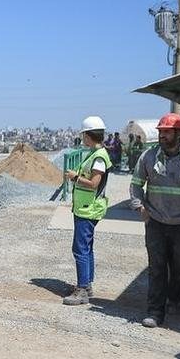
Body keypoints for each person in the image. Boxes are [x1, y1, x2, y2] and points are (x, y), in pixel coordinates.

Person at [130, 113, 180, 328]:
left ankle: (174, 299)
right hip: (155, 222)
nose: (162, 135)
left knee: (179, 266)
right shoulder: (148, 157)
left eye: (167, 131)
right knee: (156, 267)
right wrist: (140, 209)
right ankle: (155, 311)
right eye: (160, 132)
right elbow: (136, 184)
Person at [63, 116, 112, 306]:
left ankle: (82, 289)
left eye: (84, 135)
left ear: (88, 135)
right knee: (87, 248)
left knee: (80, 249)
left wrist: (75, 178)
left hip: (88, 209)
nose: (83, 138)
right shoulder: (94, 154)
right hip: (86, 208)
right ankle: (87, 285)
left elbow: (93, 184)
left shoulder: (98, 157)